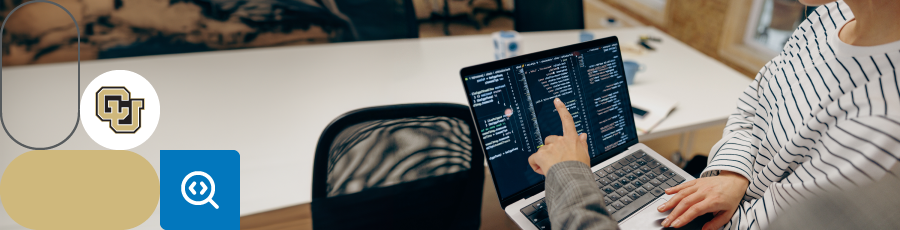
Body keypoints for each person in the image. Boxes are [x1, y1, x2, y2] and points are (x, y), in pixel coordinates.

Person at [527, 1, 900, 230]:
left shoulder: (886, 121)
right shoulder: (829, 16)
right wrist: (733, 173)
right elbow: (757, 99)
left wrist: (569, 176)